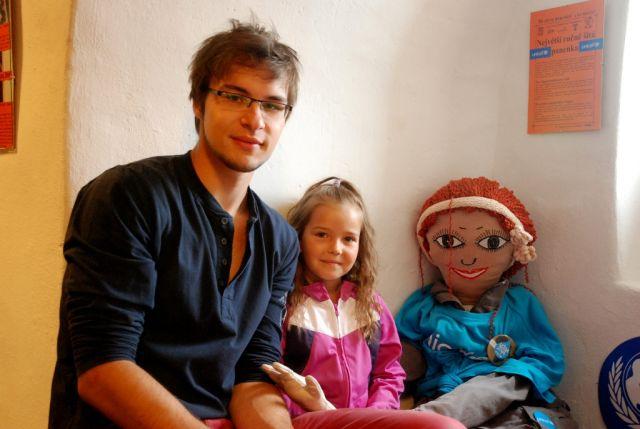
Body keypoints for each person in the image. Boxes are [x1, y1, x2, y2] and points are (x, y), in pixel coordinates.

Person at [49, 19, 302, 429]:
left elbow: (254, 373)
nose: (255, 119)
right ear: (199, 102)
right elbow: (102, 370)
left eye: (272, 105)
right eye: (234, 96)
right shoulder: (128, 195)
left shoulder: (281, 240)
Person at [261, 177, 465, 429]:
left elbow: (389, 372)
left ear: (361, 244)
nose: (336, 248)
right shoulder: (285, 304)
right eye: (322, 234)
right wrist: (317, 409)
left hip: (365, 421)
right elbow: (271, 380)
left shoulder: (370, 304)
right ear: (299, 237)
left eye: (348, 239)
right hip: (307, 421)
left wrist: (373, 414)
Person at [395, 177, 578, 428]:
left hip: (511, 403)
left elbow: (546, 361)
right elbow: (398, 358)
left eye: (491, 243)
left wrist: (498, 384)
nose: (468, 258)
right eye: (449, 241)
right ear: (429, 248)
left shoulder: (519, 304)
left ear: (514, 250)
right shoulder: (422, 306)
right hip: (439, 399)